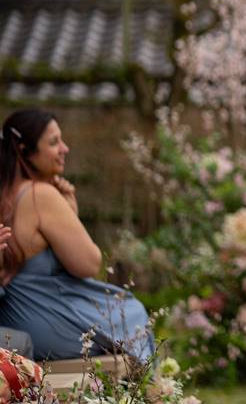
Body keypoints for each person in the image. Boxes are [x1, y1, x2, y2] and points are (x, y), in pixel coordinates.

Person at [0, 109, 154, 363]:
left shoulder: (6, 196)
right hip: (46, 324)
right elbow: (88, 264)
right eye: (53, 142)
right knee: (132, 311)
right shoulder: (41, 196)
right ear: (25, 150)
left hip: (14, 323)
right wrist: (71, 214)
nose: (65, 148)